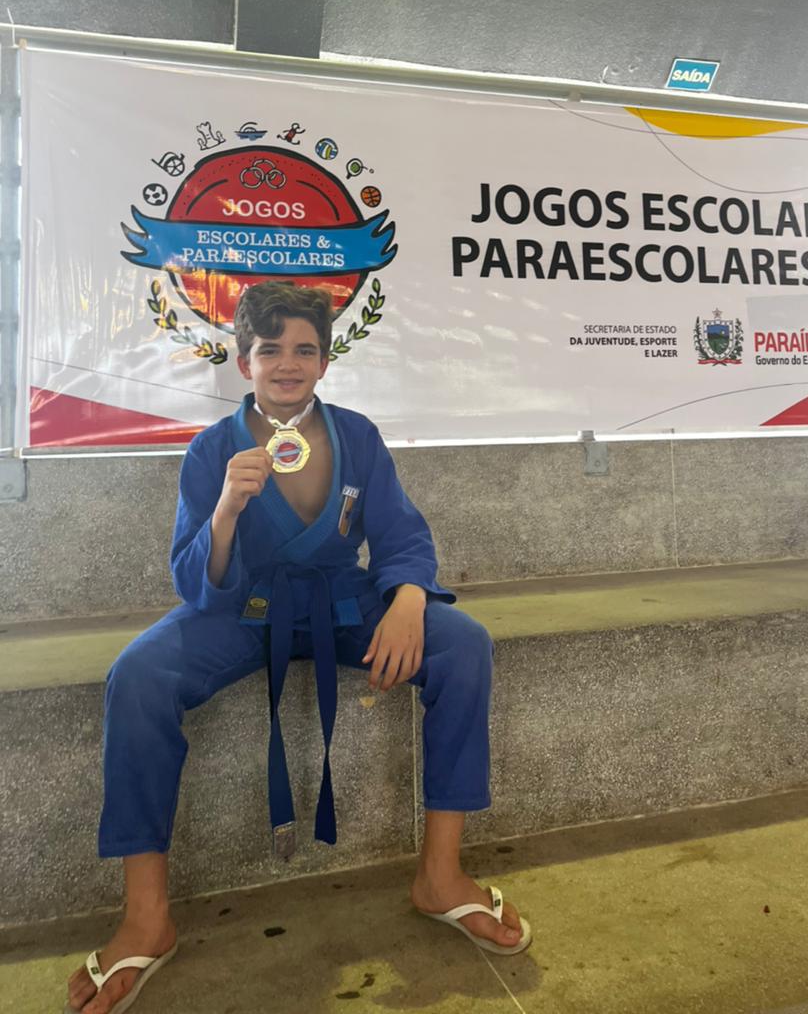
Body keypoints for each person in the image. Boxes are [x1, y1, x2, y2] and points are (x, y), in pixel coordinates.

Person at [66, 282, 530, 1014]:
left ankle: (440, 875)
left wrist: (410, 597)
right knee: (139, 675)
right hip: (244, 609)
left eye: (305, 350)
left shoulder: (356, 436)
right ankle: (146, 915)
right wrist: (225, 510)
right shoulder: (213, 450)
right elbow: (194, 580)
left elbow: (401, 534)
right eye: (270, 349)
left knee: (463, 644)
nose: (288, 363)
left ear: (325, 361)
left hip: (343, 599)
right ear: (243, 361)